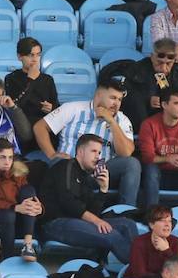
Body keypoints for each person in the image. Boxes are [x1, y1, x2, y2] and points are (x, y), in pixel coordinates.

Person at [33, 78, 139, 207]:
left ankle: (126, 211)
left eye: (119, 99)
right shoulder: (73, 108)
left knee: (132, 164)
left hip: (99, 172)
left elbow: (126, 152)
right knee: (59, 164)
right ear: (98, 95)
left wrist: (111, 122)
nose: (116, 103)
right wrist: (52, 154)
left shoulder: (122, 120)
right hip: (68, 169)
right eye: (113, 98)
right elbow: (39, 127)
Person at [37, 133, 138, 262]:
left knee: (127, 224)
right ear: (80, 151)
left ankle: (138, 265)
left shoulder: (85, 176)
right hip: (55, 223)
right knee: (112, 235)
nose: (98, 156)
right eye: (94, 151)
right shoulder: (65, 166)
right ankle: (139, 271)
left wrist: (103, 190)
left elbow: (92, 211)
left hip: (77, 222)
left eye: (100, 153)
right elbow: (68, 202)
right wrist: (97, 221)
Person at [122, 38, 178, 131]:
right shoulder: (137, 70)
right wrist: (147, 99)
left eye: (168, 64)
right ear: (152, 57)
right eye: (160, 62)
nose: (163, 68)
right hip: (141, 116)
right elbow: (127, 96)